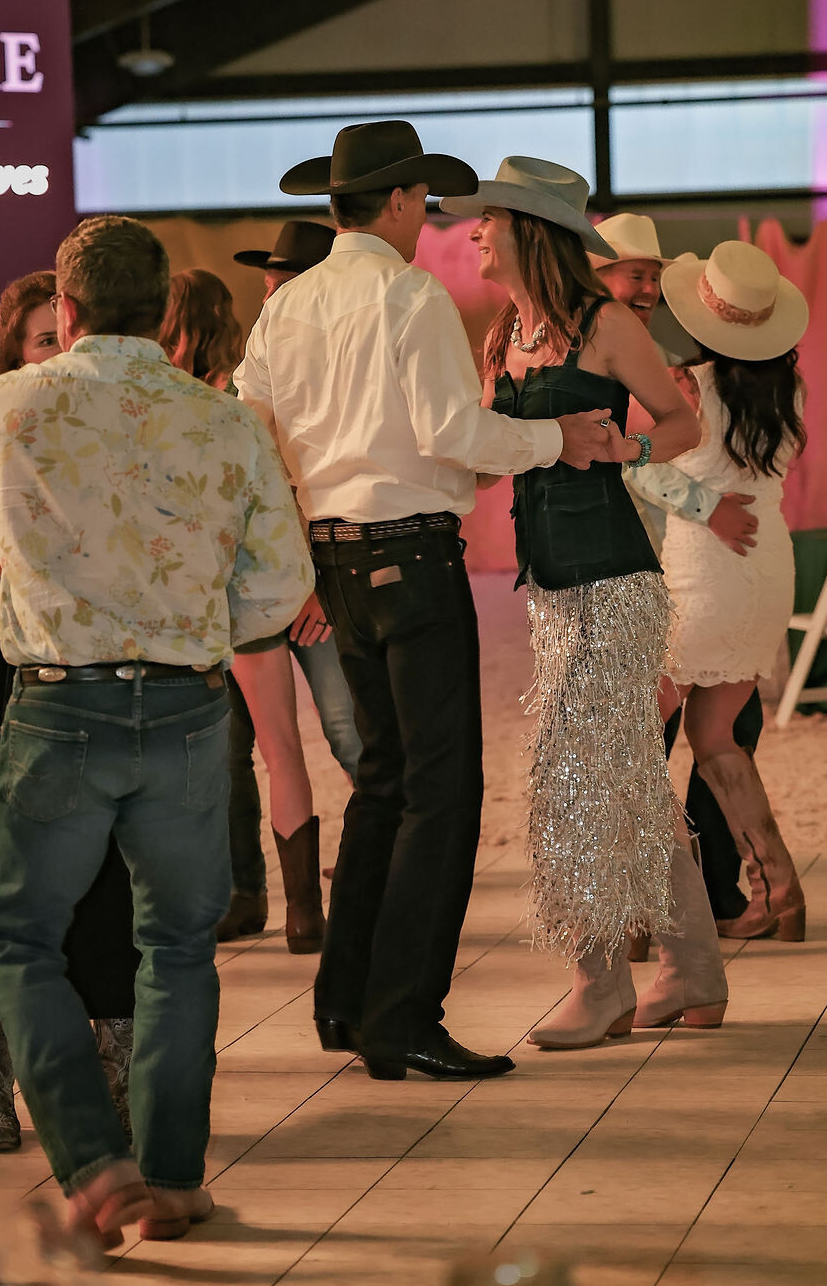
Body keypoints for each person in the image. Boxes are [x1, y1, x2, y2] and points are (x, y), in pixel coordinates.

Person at [0, 216, 313, 1246]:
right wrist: (198, 627)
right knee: (179, 948)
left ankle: (94, 1165)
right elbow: (281, 584)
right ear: (161, 315)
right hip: (188, 709)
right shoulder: (226, 419)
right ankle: (175, 1178)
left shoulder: (10, 402)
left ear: (66, 310)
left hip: (59, 706)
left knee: (14, 937)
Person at [235, 120, 621, 1081]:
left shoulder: (289, 305)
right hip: (409, 556)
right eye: (426, 202)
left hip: (334, 558)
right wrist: (556, 440)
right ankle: (402, 1015)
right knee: (439, 791)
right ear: (401, 200)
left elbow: (249, 429)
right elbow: (453, 432)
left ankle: (346, 1000)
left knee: (385, 779)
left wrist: (296, 536)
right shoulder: (407, 295)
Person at [445, 156, 727, 1047]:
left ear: (530, 232)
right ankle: (694, 971)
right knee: (631, 778)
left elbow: (681, 422)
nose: (474, 230)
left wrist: (625, 451)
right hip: (551, 591)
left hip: (615, 580)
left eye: (490, 218)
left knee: (574, 781)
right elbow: (494, 453)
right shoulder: (503, 332)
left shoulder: (604, 323)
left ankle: (599, 983)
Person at [0, 271, 138, 1155]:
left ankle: (117, 1087)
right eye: (41, 341)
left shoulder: (123, 414)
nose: (58, 353)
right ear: (13, 353)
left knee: (108, 863)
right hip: (12, 649)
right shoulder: (0, 413)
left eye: (64, 335)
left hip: (106, 646)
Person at [159, 264, 359, 951]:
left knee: (301, 743)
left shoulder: (207, 404)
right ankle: (292, 908)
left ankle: (309, 903)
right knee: (262, 750)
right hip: (272, 588)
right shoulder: (239, 397)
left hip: (250, 598)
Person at [590, 214, 763, 928]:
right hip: (637, 565)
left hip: (686, 565)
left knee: (720, 725)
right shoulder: (601, 351)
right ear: (598, 275)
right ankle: (654, 899)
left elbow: (650, 453)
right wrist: (708, 507)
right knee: (656, 732)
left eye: (655, 278)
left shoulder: (664, 359)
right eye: (636, 273)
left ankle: (707, 891)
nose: (648, 289)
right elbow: (627, 458)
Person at [657, 239, 809, 942]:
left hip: (706, 568)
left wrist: (702, 505)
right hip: (767, 562)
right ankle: (778, 891)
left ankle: (653, 905)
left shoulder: (688, 385)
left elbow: (641, 467)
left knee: (634, 732)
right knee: (716, 734)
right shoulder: (789, 389)